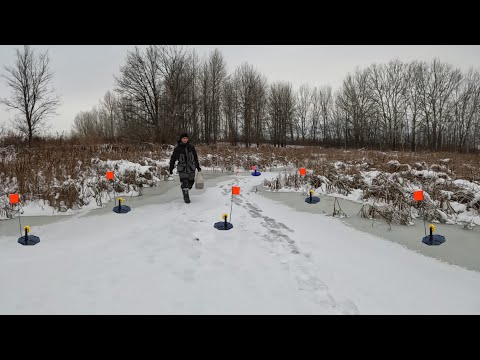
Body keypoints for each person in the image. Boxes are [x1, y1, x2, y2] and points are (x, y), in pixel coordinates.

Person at [169, 133, 201, 203]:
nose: (185, 139)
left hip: (191, 168)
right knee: (185, 182)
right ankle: (186, 198)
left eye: (186, 138)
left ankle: (184, 188)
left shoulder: (191, 147)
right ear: (181, 139)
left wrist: (197, 166)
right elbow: (173, 158)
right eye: (183, 138)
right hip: (182, 168)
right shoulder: (177, 149)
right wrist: (171, 168)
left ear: (188, 139)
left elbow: (195, 157)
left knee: (191, 182)